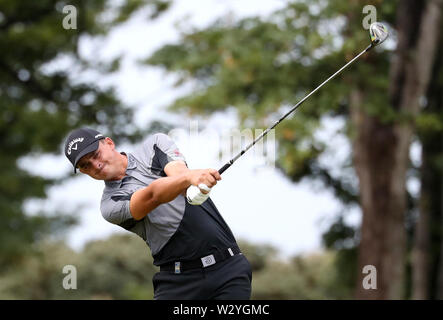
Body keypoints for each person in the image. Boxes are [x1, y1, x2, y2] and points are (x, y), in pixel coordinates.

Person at [64, 127, 252, 299]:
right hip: (178, 284)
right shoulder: (110, 205)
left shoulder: (155, 145)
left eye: (96, 154)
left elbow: (179, 175)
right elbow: (153, 196)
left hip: (229, 269)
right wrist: (190, 177)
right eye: (85, 165)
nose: (95, 165)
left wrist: (190, 180)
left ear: (109, 143)